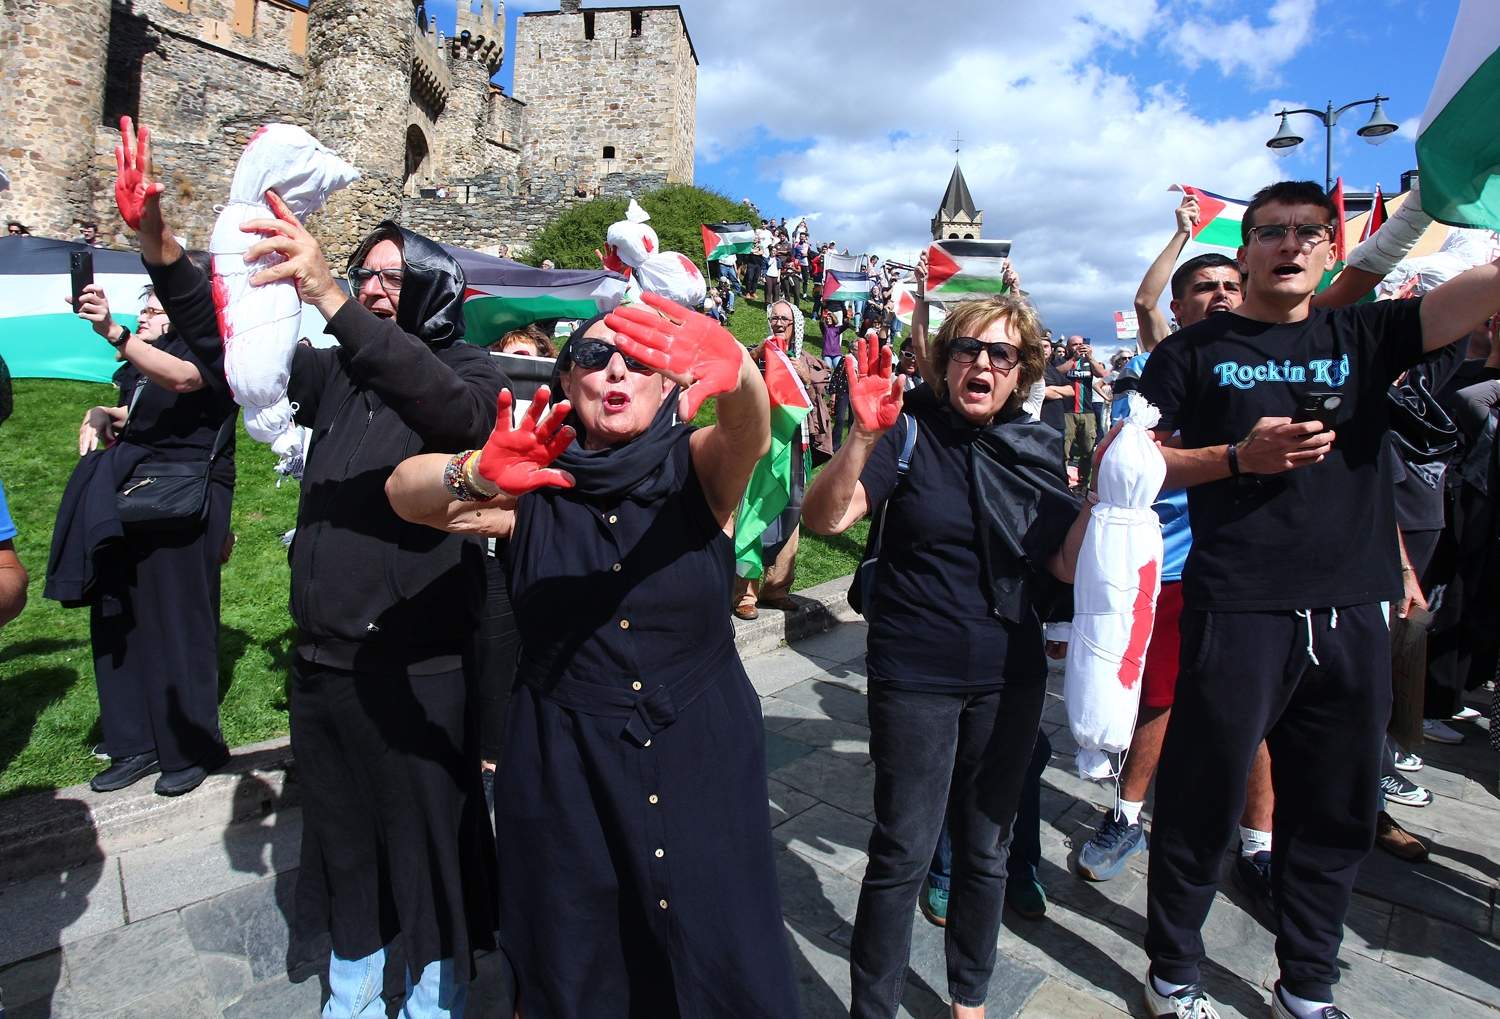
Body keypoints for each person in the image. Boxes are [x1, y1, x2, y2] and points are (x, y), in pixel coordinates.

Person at [90, 111, 508, 1012]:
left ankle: (433, 996)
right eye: (368, 274)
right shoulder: (338, 373)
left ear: (436, 284)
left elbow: (456, 419)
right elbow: (225, 350)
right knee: (345, 842)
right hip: (323, 663)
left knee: (427, 846)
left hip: (419, 665)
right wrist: (161, 247)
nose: (376, 288)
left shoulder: (474, 372)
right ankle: (352, 987)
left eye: (395, 278)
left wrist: (334, 299)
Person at [1136, 179, 1500, 1019]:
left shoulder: (1365, 332)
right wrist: (1237, 458)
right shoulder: (1193, 350)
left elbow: (1471, 298)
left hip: (1349, 611)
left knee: (1335, 810)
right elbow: (1141, 462)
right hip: (1240, 607)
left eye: (1307, 231)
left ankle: (1307, 981)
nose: (1289, 245)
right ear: (1250, 245)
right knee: (1201, 798)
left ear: (1331, 248)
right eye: (1271, 232)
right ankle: (1173, 973)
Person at [385, 291, 801, 1019]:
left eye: (639, 358)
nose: (615, 370)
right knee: (583, 963)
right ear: (566, 379)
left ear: (670, 380)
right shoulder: (529, 477)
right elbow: (403, 492)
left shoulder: (695, 464)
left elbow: (751, 435)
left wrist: (737, 368)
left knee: (717, 949)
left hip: (698, 746)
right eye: (592, 355)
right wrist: (478, 471)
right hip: (563, 763)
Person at [803, 301, 1093, 1019]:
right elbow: (825, 518)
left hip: (1008, 674)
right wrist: (861, 438)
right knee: (902, 851)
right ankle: (873, 1005)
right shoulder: (908, 432)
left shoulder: (1036, 445)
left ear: (1023, 370)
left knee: (987, 849)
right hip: (915, 673)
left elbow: (1060, 563)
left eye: (1002, 355)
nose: (983, 365)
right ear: (944, 358)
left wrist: (1099, 504)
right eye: (968, 349)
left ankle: (970, 996)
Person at [46, 222, 236, 798]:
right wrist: (106, 411)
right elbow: (147, 410)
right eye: (145, 304)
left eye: (157, 302)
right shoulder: (141, 363)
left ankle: (190, 744)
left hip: (184, 497)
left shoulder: (211, 346)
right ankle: (134, 742)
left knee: (178, 620)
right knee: (118, 615)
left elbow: (184, 382)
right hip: (133, 491)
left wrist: (114, 331)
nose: (148, 309)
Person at [732, 300, 816, 620]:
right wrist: (754, 359)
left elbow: (820, 396)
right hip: (758, 446)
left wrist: (805, 376)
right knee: (753, 514)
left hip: (795, 447)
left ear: (796, 325)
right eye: (774, 317)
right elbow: (736, 379)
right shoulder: (756, 354)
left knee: (790, 514)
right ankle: (745, 592)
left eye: (785, 318)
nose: (779, 322)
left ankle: (777, 587)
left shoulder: (806, 360)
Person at [1056, 335, 1105, 490]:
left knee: (1088, 450)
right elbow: (1056, 373)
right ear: (1068, 346)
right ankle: (1063, 482)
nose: (1078, 346)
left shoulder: (1087, 362)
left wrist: (1090, 357)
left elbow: (1102, 374)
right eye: (1074, 344)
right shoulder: (1061, 360)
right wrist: (1073, 359)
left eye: (1080, 344)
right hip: (1066, 411)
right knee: (1064, 451)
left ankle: (1083, 483)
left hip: (1087, 411)